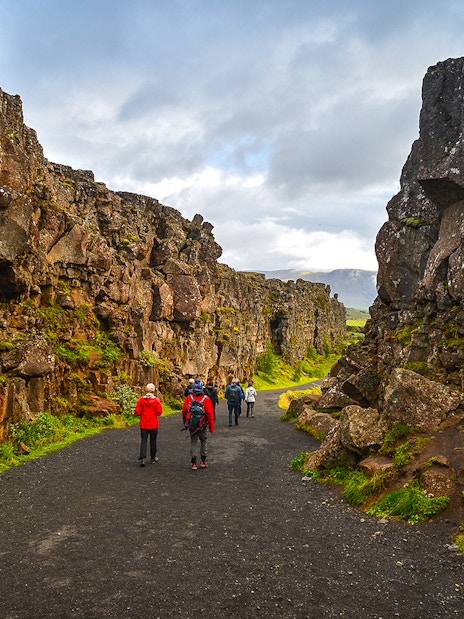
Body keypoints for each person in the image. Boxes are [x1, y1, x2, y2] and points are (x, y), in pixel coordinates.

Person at [182, 379, 215, 470]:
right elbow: (210, 414)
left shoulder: (189, 398)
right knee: (203, 441)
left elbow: (184, 411)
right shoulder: (206, 399)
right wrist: (211, 427)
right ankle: (203, 461)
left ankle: (193, 463)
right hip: (202, 425)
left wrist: (185, 422)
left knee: (194, 442)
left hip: (192, 425)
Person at [134, 383, 163, 467]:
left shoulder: (141, 400)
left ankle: (143, 457)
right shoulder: (156, 400)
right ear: (153, 390)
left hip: (144, 423)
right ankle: (153, 457)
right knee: (153, 440)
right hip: (153, 424)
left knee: (144, 440)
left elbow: (137, 411)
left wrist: (142, 414)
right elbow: (159, 412)